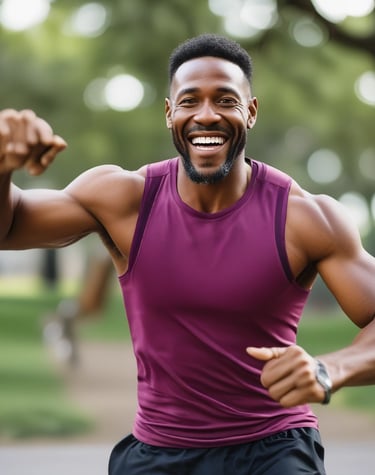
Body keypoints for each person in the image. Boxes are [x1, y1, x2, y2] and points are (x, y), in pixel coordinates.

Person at [0, 33, 374, 474]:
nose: (206, 115)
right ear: (169, 113)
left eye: (226, 101)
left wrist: (330, 368)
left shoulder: (307, 218)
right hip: (156, 453)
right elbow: (12, 225)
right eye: (190, 100)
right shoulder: (122, 199)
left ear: (251, 113)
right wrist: (2, 166)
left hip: (273, 451)